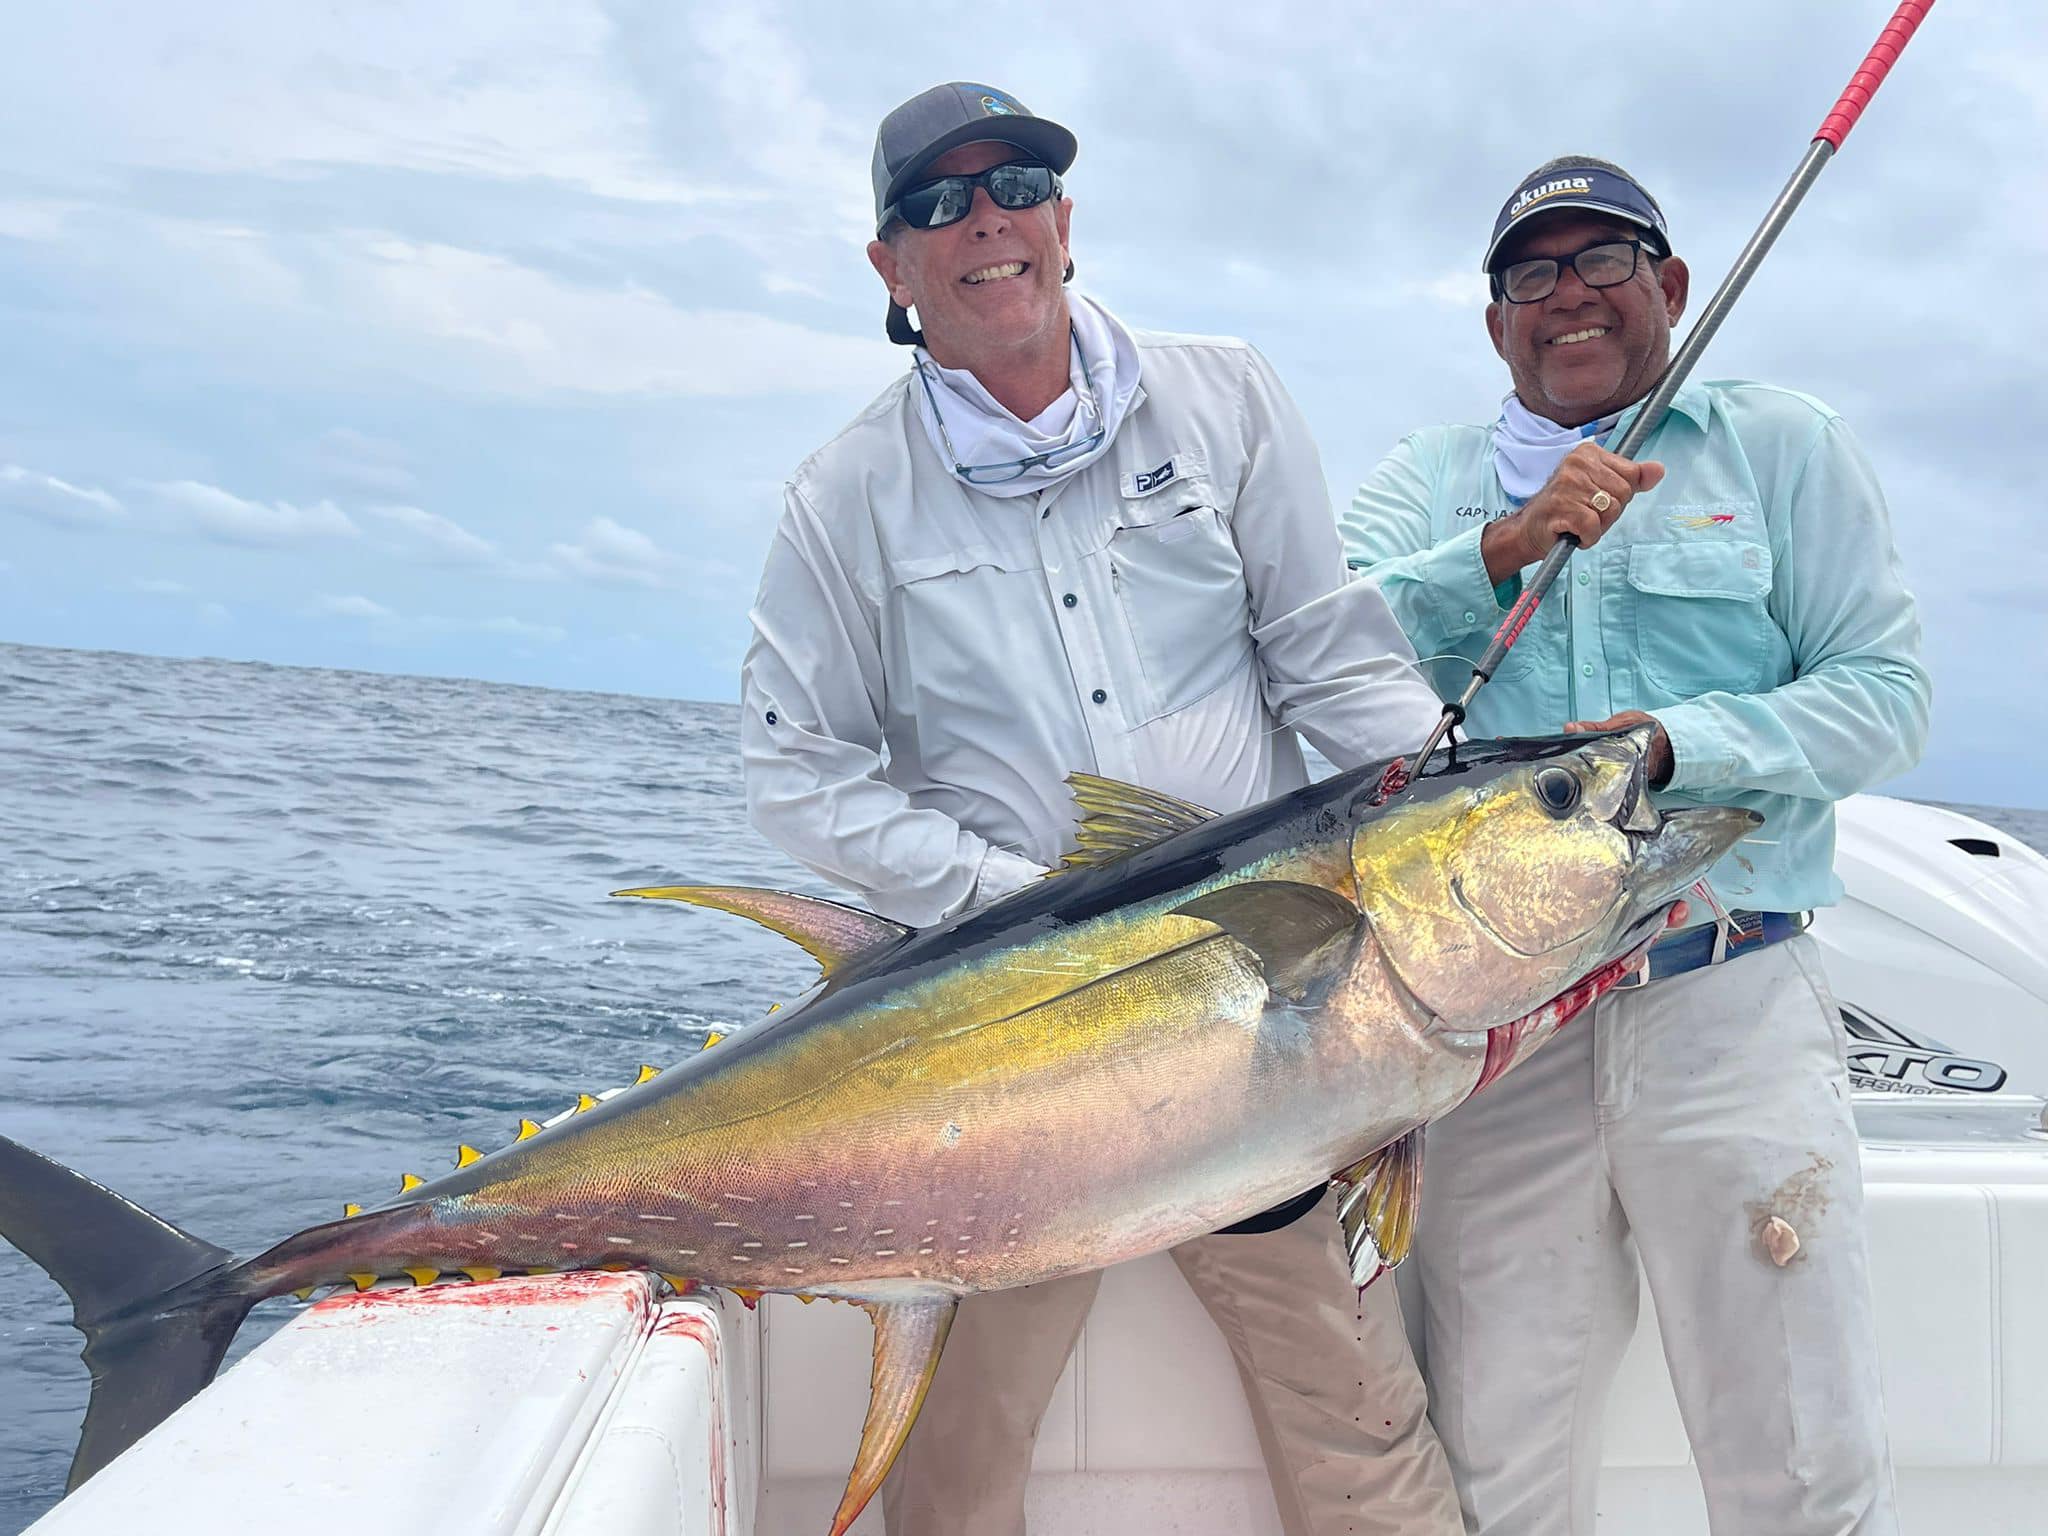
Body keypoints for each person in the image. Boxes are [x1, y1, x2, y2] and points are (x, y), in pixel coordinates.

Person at [741, 81, 1464, 1536]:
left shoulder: (1227, 398)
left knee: (1359, 1432)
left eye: (1015, 183)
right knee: (954, 1475)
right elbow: (795, 767)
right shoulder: (844, 498)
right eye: (936, 204)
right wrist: (1000, 907)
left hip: (1258, 1027)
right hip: (1014, 1057)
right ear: (890, 267)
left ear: (1066, 220)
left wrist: (1450, 826)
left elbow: (1326, 655)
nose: (985, 220)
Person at [1343, 156, 1931, 1536]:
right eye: (1531, 275)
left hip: (1730, 995)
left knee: (1799, 1458)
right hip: (1497, 1038)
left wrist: (1675, 747)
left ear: (1670, 286)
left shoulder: (1782, 446)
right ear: (1497, 324)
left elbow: (1886, 694)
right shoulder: (1425, 481)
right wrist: (1501, 543)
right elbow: (1323, 649)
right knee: (1493, 1460)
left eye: (1606, 260)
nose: (1571, 297)